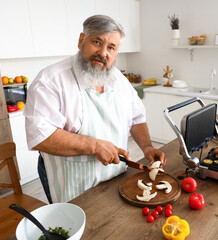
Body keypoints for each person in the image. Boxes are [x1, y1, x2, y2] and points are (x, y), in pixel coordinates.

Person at [24, 15, 167, 203]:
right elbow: (40, 137)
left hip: (116, 180)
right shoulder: (50, 81)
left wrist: (147, 146)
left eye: (111, 47)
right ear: (81, 40)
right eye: (97, 42)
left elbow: (136, 117)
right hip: (74, 190)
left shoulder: (119, 80)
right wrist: (95, 145)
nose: (103, 52)